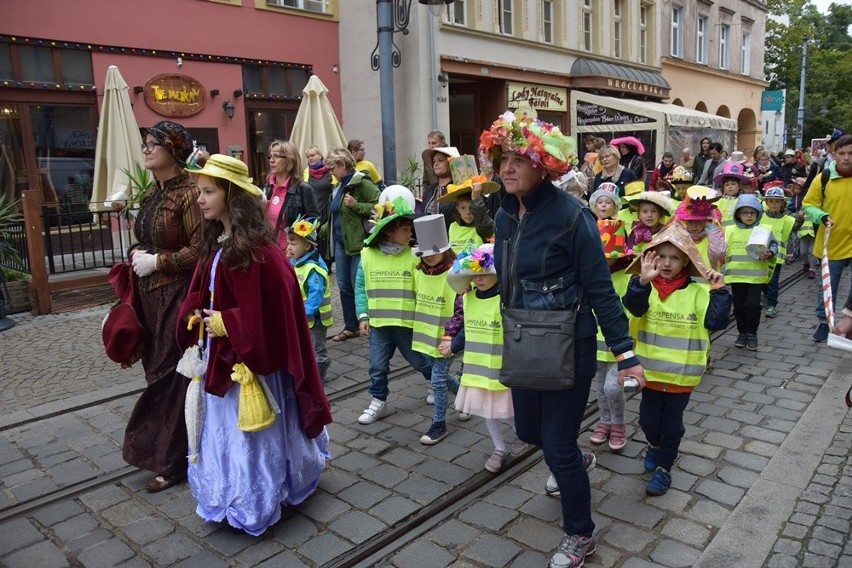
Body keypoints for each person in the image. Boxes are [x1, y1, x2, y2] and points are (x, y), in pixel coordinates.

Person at [481, 110, 644, 568]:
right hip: (521, 337)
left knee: (555, 443)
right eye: (502, 158)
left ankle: (580, 533)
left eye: (518, 158)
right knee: (529, 432)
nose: (507, 167)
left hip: (567, 343)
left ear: (543, 164)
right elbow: (511, 275)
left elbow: (599, 289)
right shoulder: (505, 212)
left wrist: (626, 354)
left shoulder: (573, 217)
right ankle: (570, 462)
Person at [176, 154, 331, 535]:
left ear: (232, 196)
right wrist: (197, 311)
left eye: (208, 191)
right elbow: (206, 289)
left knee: (253, 433)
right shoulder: (217, 244)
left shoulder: (262, 253)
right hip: (221, 357)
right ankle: (230, 493)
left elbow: (274, 316)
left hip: (252, 368)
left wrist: (227, 321)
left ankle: (255, 496)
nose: (200, 199)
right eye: (200, 191)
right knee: (226, 430)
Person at [622, 224, 731, 496]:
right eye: (662, 257)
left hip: (682, 376)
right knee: (648, 422)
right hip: (649, 374)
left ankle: (664, 468)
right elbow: (633, 307)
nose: (667, 263)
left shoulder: (697, 292)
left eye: (674, 257)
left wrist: (719, 291)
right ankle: (655, 446)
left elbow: (715, 322)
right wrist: (642, 282)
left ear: (686, 262)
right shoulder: (645, 287)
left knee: (671, 425)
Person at [124, 120, 201, 493]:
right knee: (156, 371)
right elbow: (147, 237)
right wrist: (138, 254)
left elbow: (201, 249)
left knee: (173, 375)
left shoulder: (189, 193)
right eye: (145, 143)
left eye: (153, 143)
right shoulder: (152, 192)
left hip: (178, 295)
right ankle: (167, 451)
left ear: (173, 149)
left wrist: (159, 262)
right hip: (150, 297)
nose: (146, 149)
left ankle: (173, 461)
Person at [444, 244, 526, 471]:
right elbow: (466, 328)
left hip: (501, 369)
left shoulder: (505, 300)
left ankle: (522, 433)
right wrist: (453, 344)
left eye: (485, 274)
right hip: (476, 369)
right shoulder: (468, 299)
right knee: (487, 413)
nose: (479, 279)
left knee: (505, 410)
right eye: (475, 275)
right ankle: (499, 448)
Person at [355, 194, 433, 424]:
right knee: (377, 366)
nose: (411, 234)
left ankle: (435, 384)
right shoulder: (367, 255)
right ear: (389, 231)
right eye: (406, 230)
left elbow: (423, 287)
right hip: (379, 324)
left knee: (420, 361)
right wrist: (363, 315)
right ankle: (378, 401)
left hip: (407, 324)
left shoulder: (413, 256)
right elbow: (361, 286)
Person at [587, 183, 631, 452]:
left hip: (620, 341)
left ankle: (619, 423)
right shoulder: (591, 274)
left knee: (613, 387)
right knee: (600, 387)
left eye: (610, 256)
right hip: (596, 339)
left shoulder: (627, 276)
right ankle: (604, 421)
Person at [321, 147, 380, 343]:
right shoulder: (338, 187)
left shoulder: (361, 182)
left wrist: (356, 205)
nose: (331, 173)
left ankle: (367, 321)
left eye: (332, 168)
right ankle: (350, 327)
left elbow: (379, 207)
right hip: (340, 243)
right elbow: (335, 216)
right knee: (344, 286)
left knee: (358, 285)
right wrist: (317, 230)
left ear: (342, 165)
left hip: (358, 243)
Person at [411, 214, 460, 444]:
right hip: (424, 335)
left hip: (446, 337)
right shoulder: (418, 271)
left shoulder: (455, 274)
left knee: (438, 380)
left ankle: (439, 424)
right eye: (425, 253)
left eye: (434, 252)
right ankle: (463, 398)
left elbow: (461, 308)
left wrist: (450, 335)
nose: (429, 257)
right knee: (440, 376)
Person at [803, 134, 852, 343]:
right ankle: (824, 322)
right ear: (834, 154)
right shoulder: (823, 178)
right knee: (828, 285)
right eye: (842, 153)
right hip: (832, 243)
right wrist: (821, 216)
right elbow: (809, 205)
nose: (847, 158)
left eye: (851, 153)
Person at [724, 194, 778, 350]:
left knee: (754, 306)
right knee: (739, 307)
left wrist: (770, 253)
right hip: (737, 277)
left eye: (752, 213)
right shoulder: (730, 230)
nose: (748, 216)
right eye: (745, 212)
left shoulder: (763, 229)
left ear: (758, 213)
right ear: (738, 214)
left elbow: (774, 246)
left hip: (756, 278)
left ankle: (752, 333)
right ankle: (742, 333)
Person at [287, 217, 332, 381]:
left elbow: (316, 294)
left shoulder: (313, 268)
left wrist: (305, 312)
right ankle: (309, 368)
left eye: (293, 244)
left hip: (316, 317)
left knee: (317, 346)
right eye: (288, 243)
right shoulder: (295, 263)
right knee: (305, 344)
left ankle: (321, 367)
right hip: (302, 315)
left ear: (307, 246)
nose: (289, 247)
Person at [263, 140, 319, 250]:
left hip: (292, 255)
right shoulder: (268, 187)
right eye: (270, 156)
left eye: (277, 156)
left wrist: (297, 237)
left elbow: (315, 220)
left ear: (289, 161)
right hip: (270, 252)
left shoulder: (303, 189)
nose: (271, 160)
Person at [436, 163, 498, 254]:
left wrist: (476, 199)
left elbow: (486, 229)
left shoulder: (483, 226)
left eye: (471, 208)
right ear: (457, 208)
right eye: (463, 208)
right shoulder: (452, 226)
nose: (468, 212)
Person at [759, 184, 796, 318]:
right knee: (763, 280)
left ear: (782, 203)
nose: (774, 204)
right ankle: (767, 296)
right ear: (766, 202)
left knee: (773, 281)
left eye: (777, 201)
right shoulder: (760, 217)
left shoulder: (787, 219)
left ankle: (771, 305)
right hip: (762, 255)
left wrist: (789, 254)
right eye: (771, 201)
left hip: (777, 257)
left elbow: (789, 237)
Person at [302, 146, 337, 264]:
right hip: (313, 210)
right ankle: (317, 263)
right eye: (308, 157)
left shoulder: (329, 170)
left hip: (327, 210)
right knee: (315, 238)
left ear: (320, 156)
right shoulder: (307, 172)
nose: (310, 158)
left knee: (326, 238)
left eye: (313, 155)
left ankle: (327, 263)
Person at [788, 179, 816, 278]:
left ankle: (812, 269)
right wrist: (800, 217)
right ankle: (806, 262)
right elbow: (798, 223)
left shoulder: (817, 207)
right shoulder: (802, 207)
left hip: (814, 233)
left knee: (812, 252)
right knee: (803, 252)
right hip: (804, 233)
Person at [421, 146, 461, 216]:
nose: (436, 164)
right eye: (434, 161)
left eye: (440, 160)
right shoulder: (430, 189)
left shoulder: (458, 188)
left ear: (451, 163)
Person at [714, 162, 751, 228]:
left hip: (739, 232)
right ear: (723, 188)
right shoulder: (718, 203)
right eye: (727, 185)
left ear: (740, 186)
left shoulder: (744, 201)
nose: (730, 187)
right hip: (722, 233)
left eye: (733, 184)